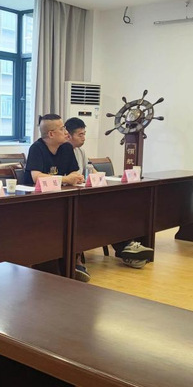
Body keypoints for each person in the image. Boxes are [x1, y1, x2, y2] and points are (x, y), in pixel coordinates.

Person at [61, 116, 155, 273]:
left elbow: (90, 169)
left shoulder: (80, 151)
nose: (84, 138)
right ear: (68, 135)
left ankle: (127, 247)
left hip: (86, 194)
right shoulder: (63, 151)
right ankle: (126, 248)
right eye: (80, 135)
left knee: (114, 208)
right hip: (74, 199)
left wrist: (99, 177)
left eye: (85, 134)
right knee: (102, 213)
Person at [24, 114, 84, 187]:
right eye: (62, 129)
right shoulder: (36, 148)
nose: (66, 132)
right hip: (35, 192)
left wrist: (76, 178)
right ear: (51, 134)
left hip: (58, 190)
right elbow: (37, 177)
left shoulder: (67, 147)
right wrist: (65, 179)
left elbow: (74, 172)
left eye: (65, 128)